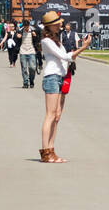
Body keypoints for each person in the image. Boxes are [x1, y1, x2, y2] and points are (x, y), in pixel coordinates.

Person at [38, 12, 89, 163]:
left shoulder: (56, 40)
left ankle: (51, 150)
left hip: (59, 77)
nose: (61, 25)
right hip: (52, 77)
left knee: (57, 116)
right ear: (51, 25)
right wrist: (83, 48)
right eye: (58, 23)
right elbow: (66, 57)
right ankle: (45, 151)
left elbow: (65, 55)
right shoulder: (46, 41)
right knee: (50, 115)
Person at [18, 19, 38, 88]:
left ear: (29, 25)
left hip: (31, 51)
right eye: (25, 26)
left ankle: (31, 80)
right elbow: (15, 39)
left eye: (27, 26)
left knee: (32, 67)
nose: (26, 28)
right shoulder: (20, 31)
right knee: (24, 68)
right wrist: (17, 37)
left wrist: (35, 36)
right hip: (23, 51)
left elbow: (37, 40)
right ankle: (25, 82)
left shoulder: (33, 31)